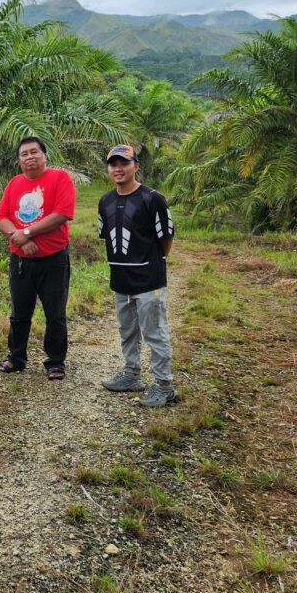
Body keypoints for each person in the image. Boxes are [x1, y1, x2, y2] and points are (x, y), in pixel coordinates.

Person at [97, 144, 176, 407]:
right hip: (121, 280)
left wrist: (153, 263)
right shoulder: (105, 201)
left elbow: (165, 239)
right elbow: (105, 236)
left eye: (124, 163)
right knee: (127, 330)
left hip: (148, 280)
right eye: (113, 164)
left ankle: (164, 386)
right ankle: (131, 375)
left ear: (136, 166)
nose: (118, 169)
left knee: (154, 332)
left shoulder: (152, 199)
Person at [0, 137, 75, 379]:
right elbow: (2, 217)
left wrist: (28, 232)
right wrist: (19, 237)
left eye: (34, 152)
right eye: (24, 154)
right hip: (20, 261)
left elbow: (62, 213)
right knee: (19, 312)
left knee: (55, 313)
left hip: (53, 259)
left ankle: (55, 362)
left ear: (44, 155)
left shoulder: (60, 178)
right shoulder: (14, 183)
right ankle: (16, 357)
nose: (29, 157)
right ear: (19, 160)